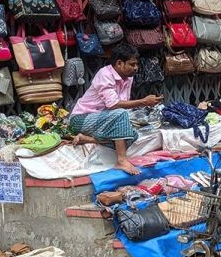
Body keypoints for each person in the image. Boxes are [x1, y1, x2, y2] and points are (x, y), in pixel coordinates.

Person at [69, 43, 163, 175]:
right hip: (80, 119)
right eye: (132, 64)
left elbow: (121, 106)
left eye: (136, 64)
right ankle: (121, 160)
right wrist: (143, 102)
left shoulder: (128, 78)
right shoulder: (105, 74)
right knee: (120, 114)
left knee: (132, 135)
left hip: (103, 120)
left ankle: (88, 139)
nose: (136, 68)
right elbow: (113, 105)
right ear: (119, 63)